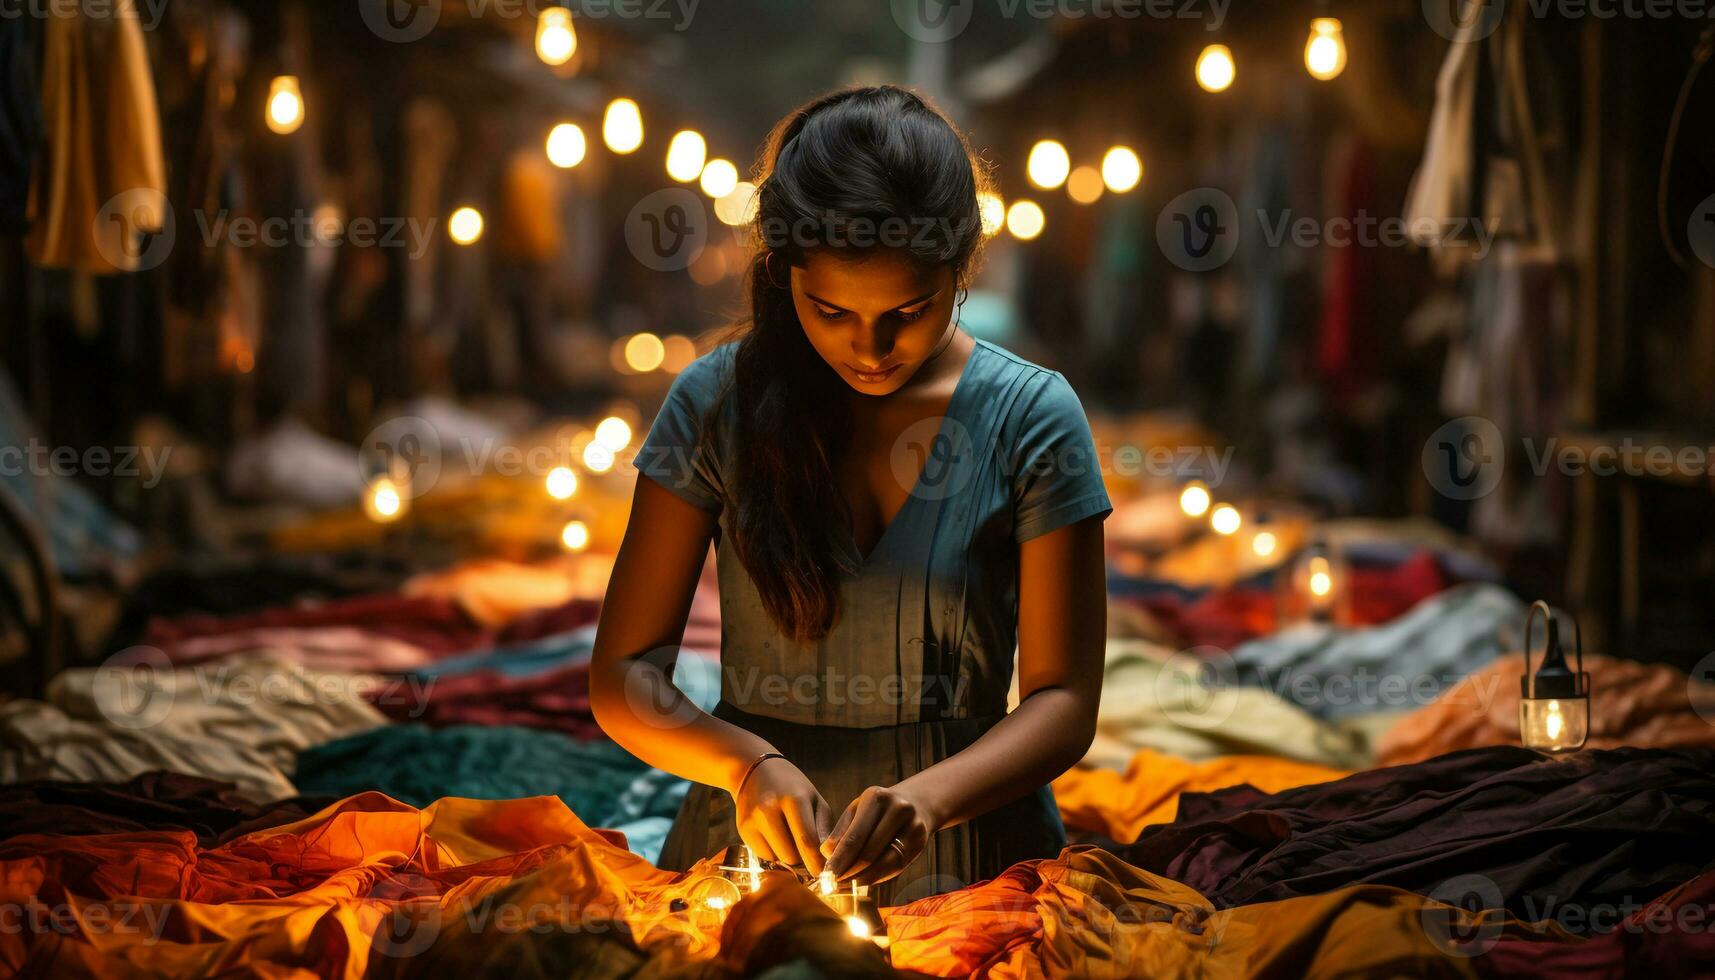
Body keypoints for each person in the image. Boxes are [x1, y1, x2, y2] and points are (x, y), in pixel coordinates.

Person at [590, 85, 1110, 906]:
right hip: (751, 874)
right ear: (778, 271)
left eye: (910, 310)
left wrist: (930, 801)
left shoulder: (1031, 417)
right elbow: (621, 673)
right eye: (828, 311)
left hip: (978, 870)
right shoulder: (715, 404)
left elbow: (1065, 699)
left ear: (961, 266)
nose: (869, 349)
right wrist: (745, 763)